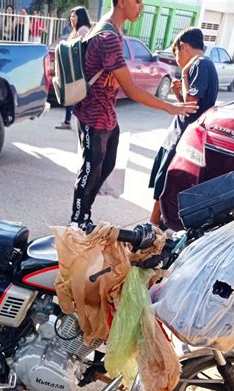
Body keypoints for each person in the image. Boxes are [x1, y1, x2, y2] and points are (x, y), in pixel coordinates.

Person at [70, 0, 198, 229]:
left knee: (105, 167)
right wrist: (169, 107)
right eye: (137, 1)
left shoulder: (115, 32)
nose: (141, 6)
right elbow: (130, 89)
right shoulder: (107, 37)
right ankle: (76, 222)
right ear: (121, 2)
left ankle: (84, 217)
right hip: (93, 116)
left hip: (107, 114)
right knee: (89, 172)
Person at [149, 27, 219, 227]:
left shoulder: (199, 65)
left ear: (183, 46)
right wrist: (179, 94)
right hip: (182, 132)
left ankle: (152, 227)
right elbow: (188, 105)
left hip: (183, 136)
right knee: (166, 180)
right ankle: (157, 224)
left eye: (175, 53)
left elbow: (191, 103)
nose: (177, 60)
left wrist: (186, 76)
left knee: (165, 181)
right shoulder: (203, 65)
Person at [56, 6, 92, 131]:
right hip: (74, 70)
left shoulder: (83, 30)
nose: (72, 18)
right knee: (73, 95)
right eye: (71, 16)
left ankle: (74, 122)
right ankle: (69, 121)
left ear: (80, 17)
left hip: (80, 71)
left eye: (74, 16)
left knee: (76, 96)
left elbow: (85, 50)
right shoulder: (76, 30)